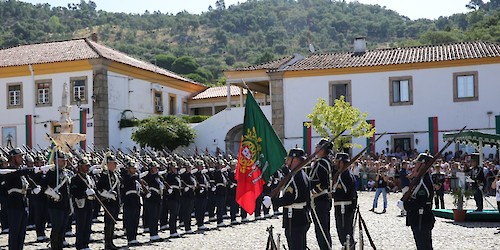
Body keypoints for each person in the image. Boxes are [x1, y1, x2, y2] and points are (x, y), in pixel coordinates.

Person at [263, 148, 310, 250]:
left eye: (289, 159)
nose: (286, 161)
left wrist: (272, 201)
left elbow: (288, 199)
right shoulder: (302, 174)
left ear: (295, 160)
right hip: (301, 215)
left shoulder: (295, 176)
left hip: (294, 218)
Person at [398, 153, 435, 250]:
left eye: (417, 163)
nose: (415, 166)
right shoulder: (419, 179)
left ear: (423, 165)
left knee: (424, 247)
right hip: (418, 219)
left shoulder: (423, 181)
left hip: (421, 219)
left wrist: (405, 205)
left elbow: (420, 202)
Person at [42, 150, 72, 250]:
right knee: (56, 227)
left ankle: (60, 245)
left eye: (65, 160)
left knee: (63, 227)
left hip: (65, 204)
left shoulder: (65, 172)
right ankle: (55, 246)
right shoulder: (51, 172)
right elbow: (44, 186)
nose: (65, 162)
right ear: (55, 161)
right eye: (62, 160)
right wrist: (53, 194)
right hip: (55, 205)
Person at [309, 138, 333, 250]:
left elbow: (323, 183)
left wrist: (313, 192)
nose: (315, 148)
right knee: (323, 228)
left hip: (319, 199)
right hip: (324, 199)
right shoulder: (327, 162)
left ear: (322, 150)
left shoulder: (320, 163)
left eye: (317, 147)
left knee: (321, 230)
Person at [70, 157, 96, 250]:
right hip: (80, 205)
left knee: (88, 226)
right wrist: (85, 193)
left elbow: (94, 187)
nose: (87, 168)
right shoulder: (75, 178)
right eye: (85, 166)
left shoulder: (89, 177)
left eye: (88, 166)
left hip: (89, 204)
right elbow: (74, 192)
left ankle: (86, 244)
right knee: (81, 226)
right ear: (80, 167)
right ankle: (80, 245)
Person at [332, 152, 357, 249]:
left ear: (341, 162)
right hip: (343, 206)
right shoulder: (343, 173)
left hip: (344, 207)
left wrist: (332, 194)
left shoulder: (345, 175)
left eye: (337, 161)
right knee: (344, 233)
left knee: (345, 234)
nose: (335, 163)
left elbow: (343, 192)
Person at [96, 153, 121, 249]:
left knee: (112, 223)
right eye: (112, 163)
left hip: (115, 203)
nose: (114, 165)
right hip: (108, 202)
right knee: (109, 223)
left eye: (115, 163)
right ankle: (107, 243)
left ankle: (110, 241)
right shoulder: (104, 175)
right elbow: (99, 189)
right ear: (108, 164)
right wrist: (107, 195)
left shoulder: (115, 175)